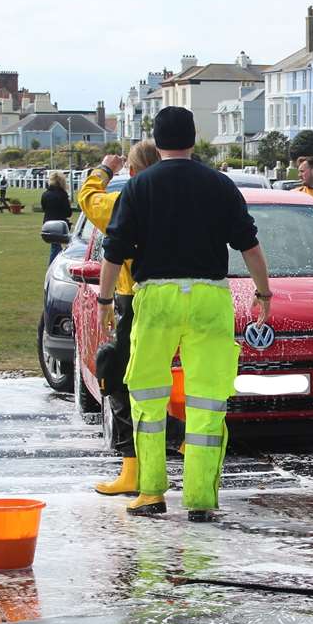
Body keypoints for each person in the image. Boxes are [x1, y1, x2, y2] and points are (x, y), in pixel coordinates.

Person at [102, 106, 274, 522]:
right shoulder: (220, 185)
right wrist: (263, 293)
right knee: (206, 399)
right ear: (193, 140)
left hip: (156, 298)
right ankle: (199, 498)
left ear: (156, 143)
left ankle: (151, 493)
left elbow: (114, 249)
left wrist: (106, 301)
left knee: (146, 394)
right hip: (209, 298)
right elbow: (249, 245)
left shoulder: (138, 187)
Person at [79, 139, 161, 497]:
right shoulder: (174, 199)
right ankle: (168, 448)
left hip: (131, 296)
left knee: (117, 373)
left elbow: (87, 198)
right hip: (171, 296)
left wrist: (104, 168)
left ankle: (134, 465)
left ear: (131, 170)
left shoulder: (123, 201)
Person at [40, 171, 72, 259]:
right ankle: (53, 267)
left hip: (47, 224)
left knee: (55, 247)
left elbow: (44, 208)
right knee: (57, 248)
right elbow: (68, 213)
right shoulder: (63, 195)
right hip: (60, 225)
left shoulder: (45, 194)